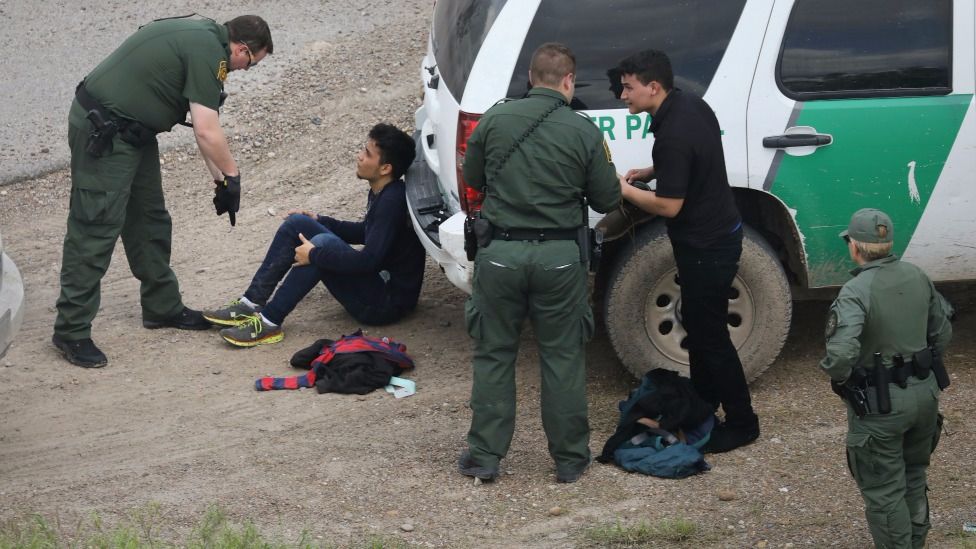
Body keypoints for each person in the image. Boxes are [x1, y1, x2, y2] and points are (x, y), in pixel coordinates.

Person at [52, 15, 273, 368]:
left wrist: (221, 181)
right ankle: (70, 330)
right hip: (104, 132)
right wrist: (234, 175)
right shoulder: (209, 54)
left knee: (149, 219)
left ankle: (162, 307)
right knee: (95, 228)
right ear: (242, 49)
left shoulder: (204, 39)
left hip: (133, 132)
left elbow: (205, 126)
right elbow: (206, 130)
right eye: (250, 63)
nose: (245, 70)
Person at [457, 43, 621, 483]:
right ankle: (569, 461)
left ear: (531, 78)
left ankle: (485, 457)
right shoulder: (583, 130)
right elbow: (608, 198)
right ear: (569, 81)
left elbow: (472, 179)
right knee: (562, 358)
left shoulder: (493, 119)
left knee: (493, 356)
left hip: (501, 257)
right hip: (560, 261)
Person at [611, 49, 760, 453]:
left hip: (706, 246)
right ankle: (704, 402)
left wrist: (624, 189)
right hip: (720, 233)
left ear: (653, 87)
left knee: (711, 337)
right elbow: (693, 155)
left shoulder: (672, 135)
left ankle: (744, 422)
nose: (623, 95)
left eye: (628, 87)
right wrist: (650, 172)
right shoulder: (691, 105)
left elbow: (668, 207)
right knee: (698, 325)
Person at [204, 123, 423, 346]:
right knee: (297, 223)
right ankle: (250, 304)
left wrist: (315, 255)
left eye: (367, 154)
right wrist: (319, 220)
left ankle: (269, 322)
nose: (359, 156)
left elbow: (369, 260)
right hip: (377, 285)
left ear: (385, 168)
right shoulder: (384, 190)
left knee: (321, 244)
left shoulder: (391, 202)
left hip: (385, 305)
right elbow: (366, 232)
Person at [821, 208, 952, 549]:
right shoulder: (918, 275)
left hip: (881, 404)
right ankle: (916, 541)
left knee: (883, 489)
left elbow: (839, 356)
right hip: (925, 394)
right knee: (914, 475)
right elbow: (942, 332)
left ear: (854, 247)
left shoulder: (855, 290)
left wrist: (844, 380)